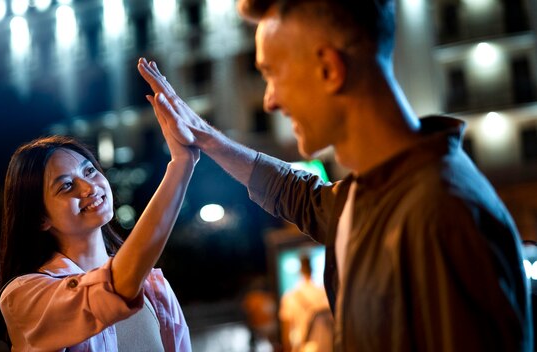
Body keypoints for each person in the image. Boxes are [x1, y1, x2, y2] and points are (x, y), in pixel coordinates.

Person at [136, 0, 533, 350]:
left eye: (272, 73)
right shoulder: (375, 191)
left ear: (329, 68)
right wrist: (208, 140)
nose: (270, 100)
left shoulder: (441, 215)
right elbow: (300, 196)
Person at [0, 122, 198, 349]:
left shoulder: (154, 286)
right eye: (66, 186)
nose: (88, 188)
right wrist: (180, 166)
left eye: (89, 171)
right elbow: (114, 287)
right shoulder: (26, 297)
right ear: (40, 219)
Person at [279, 254, 332, 352]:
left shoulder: (290, 296)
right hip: (325, 345)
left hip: (302, 347)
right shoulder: (323, 293)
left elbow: (286, 330)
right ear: (312, 269)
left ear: (300, 271)